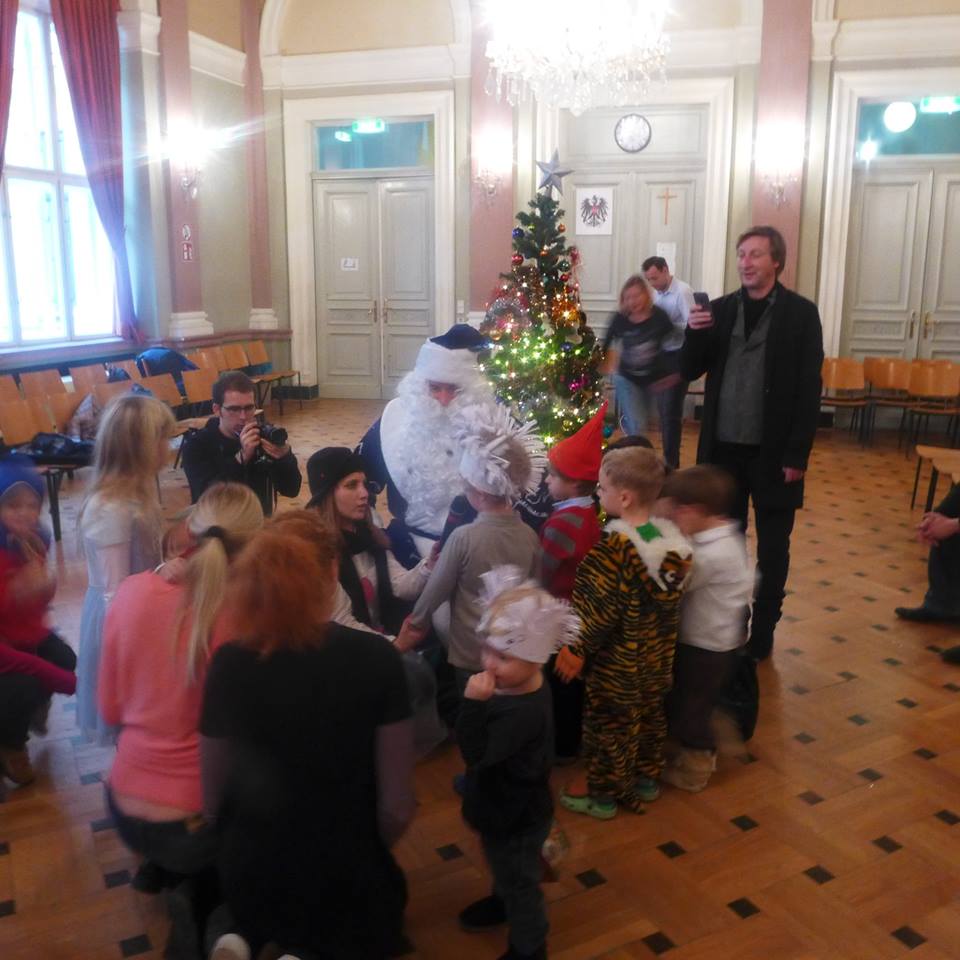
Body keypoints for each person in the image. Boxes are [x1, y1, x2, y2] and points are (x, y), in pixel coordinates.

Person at [201, 512, 415, 960]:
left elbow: (213, 796)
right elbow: (396, 808)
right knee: (373, 910)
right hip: (344, 863)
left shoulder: (229, 662)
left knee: (256, 890)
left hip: (254, 861)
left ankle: (247, 934)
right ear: (333, 571)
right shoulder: (376, 659)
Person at [99, 483, 264, 958]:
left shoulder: (132, 591)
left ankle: (170, 874)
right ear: (255, 546)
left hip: (123, 804)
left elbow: (110, 711)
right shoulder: (246, 620)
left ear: (190, 528)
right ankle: (205, 907)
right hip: (191, 820)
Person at [679, 225, 824, 662]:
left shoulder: (801, 314)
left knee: (774, 547)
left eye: (755, 254)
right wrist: (694, 332)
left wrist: (798, 453)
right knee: (728, 540)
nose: (745, 262)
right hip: (722, 452)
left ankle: (763, 631)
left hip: (775, 453)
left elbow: (808, 389)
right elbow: (689, 370)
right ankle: (732, 621)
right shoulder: (719, 310)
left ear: (776, 261)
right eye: (741, 254)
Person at [554, 447, 692, 818]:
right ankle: (646, 780)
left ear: (625, 497)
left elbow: (597, 612)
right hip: (656, 661)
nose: (598, 493)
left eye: (601, 488)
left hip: (618, 665)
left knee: (610, 726)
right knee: (649, 717)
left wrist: (576, 648)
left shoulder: (611, 554)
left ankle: (602, 795)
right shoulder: (672, 548)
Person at [456, 567, 579, 960]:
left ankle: (530, 947)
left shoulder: (522, 713)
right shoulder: (519, 684)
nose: (489, 664)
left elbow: (476, 753)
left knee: (520, 882)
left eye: (504, 656)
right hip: (505, 802)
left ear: (536, 658)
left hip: (516, 816)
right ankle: (501, 898)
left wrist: (472, 705)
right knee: (503, 865)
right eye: (487, 649)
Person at [305, 446, 445, 755]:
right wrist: (395, 646)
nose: (364, 493)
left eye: (364, 484)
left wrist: (429, 566)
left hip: (375, 637)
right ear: (327, 494)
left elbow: (401, 585)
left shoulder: (368, 534)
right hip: (339, 656)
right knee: (414, 674)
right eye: (351, 485)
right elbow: (340, 624)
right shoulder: (317, 552)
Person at [395, 404, 544, 693]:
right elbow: (534, 590)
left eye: (466, 487)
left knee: (473, 711)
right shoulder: (529, 536)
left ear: (480, 494)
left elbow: (432, 595)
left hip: (472, 657)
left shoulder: (463, 537)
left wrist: (412, 629)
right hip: (512, 656)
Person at [77, 394, 175, 745]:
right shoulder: (111, 506)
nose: (169, 447)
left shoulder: (139, 490)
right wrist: (165, 572)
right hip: (120, 621)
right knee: (131, 715)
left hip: (140, 608)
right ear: (139, 446)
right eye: (162, 439)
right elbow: (115, 591)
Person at [357, 323, 495, 568]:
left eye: (454, 389)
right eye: (435, 388)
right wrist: (373, 529)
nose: (443, 399)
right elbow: (358, 479)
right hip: (405, 550)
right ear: (419, 386)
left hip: (475, 551)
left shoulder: (492, 422)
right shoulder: (393, 420)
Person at [657, 466, 754, 792]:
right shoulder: (725, 536)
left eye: (676, 513)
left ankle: (696, 767)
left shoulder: (710, 554)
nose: (673, 519)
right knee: (692, 698)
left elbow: (670, 580)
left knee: (691, 709)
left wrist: (654, 533)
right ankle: (714, 726)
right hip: (715, 643)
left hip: (704, 646)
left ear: (693, 511)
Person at [0, 455, 76, 791]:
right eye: (13, 505)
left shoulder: (34, 541)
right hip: (5, 645)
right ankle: (11, 744)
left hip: (27, 633)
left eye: (32, 505)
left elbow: (39, 601)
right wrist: (16, 592)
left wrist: (43, 586)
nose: (24, 513)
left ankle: (31, 709)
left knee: (65, 658)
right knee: (28, 685)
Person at [538, 403, 606, 762]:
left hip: (560, 614)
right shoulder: (586, 511)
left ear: (575, 482)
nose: (546, 481)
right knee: (569, 682)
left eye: (552, 476)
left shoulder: (565, 524)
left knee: (560, 680)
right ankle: (568, 740)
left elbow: (542, 570)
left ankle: (562, 746)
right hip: (575, 611)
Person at [182, 371, 301, 517]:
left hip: (259, 522)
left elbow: (291, 490)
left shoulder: (261, 438)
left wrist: (285, 458)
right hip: (217, 524)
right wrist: (241, 458)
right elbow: (206, 497)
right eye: (234, 409)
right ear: (217, 410)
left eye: (249, 408)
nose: (243, 417)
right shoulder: (196, 446)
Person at [601, 275, 678, 440]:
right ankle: (635, 453)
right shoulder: (620, 318)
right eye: (628, 297)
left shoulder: (659, 317)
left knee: (643, 425)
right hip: (626, 378)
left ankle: (633, 447)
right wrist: (603, 366)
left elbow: (673, 344)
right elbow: (606, 343)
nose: (632, 301)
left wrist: (672, 372)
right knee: (637, 425)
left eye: (636, 296)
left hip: (651, 382)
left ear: (646, 295)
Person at [642, 256, 695, 469]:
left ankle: (671, 465)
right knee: (663, 412)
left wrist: (667, 327)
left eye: (654, 278)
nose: (652, 283)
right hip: (662, 357)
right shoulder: (656, 294)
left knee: (670, 413)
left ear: (665, 270)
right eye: (649, 280)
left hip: (678, 356)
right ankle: (666, 459)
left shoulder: (683, 291)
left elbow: (693, 325)